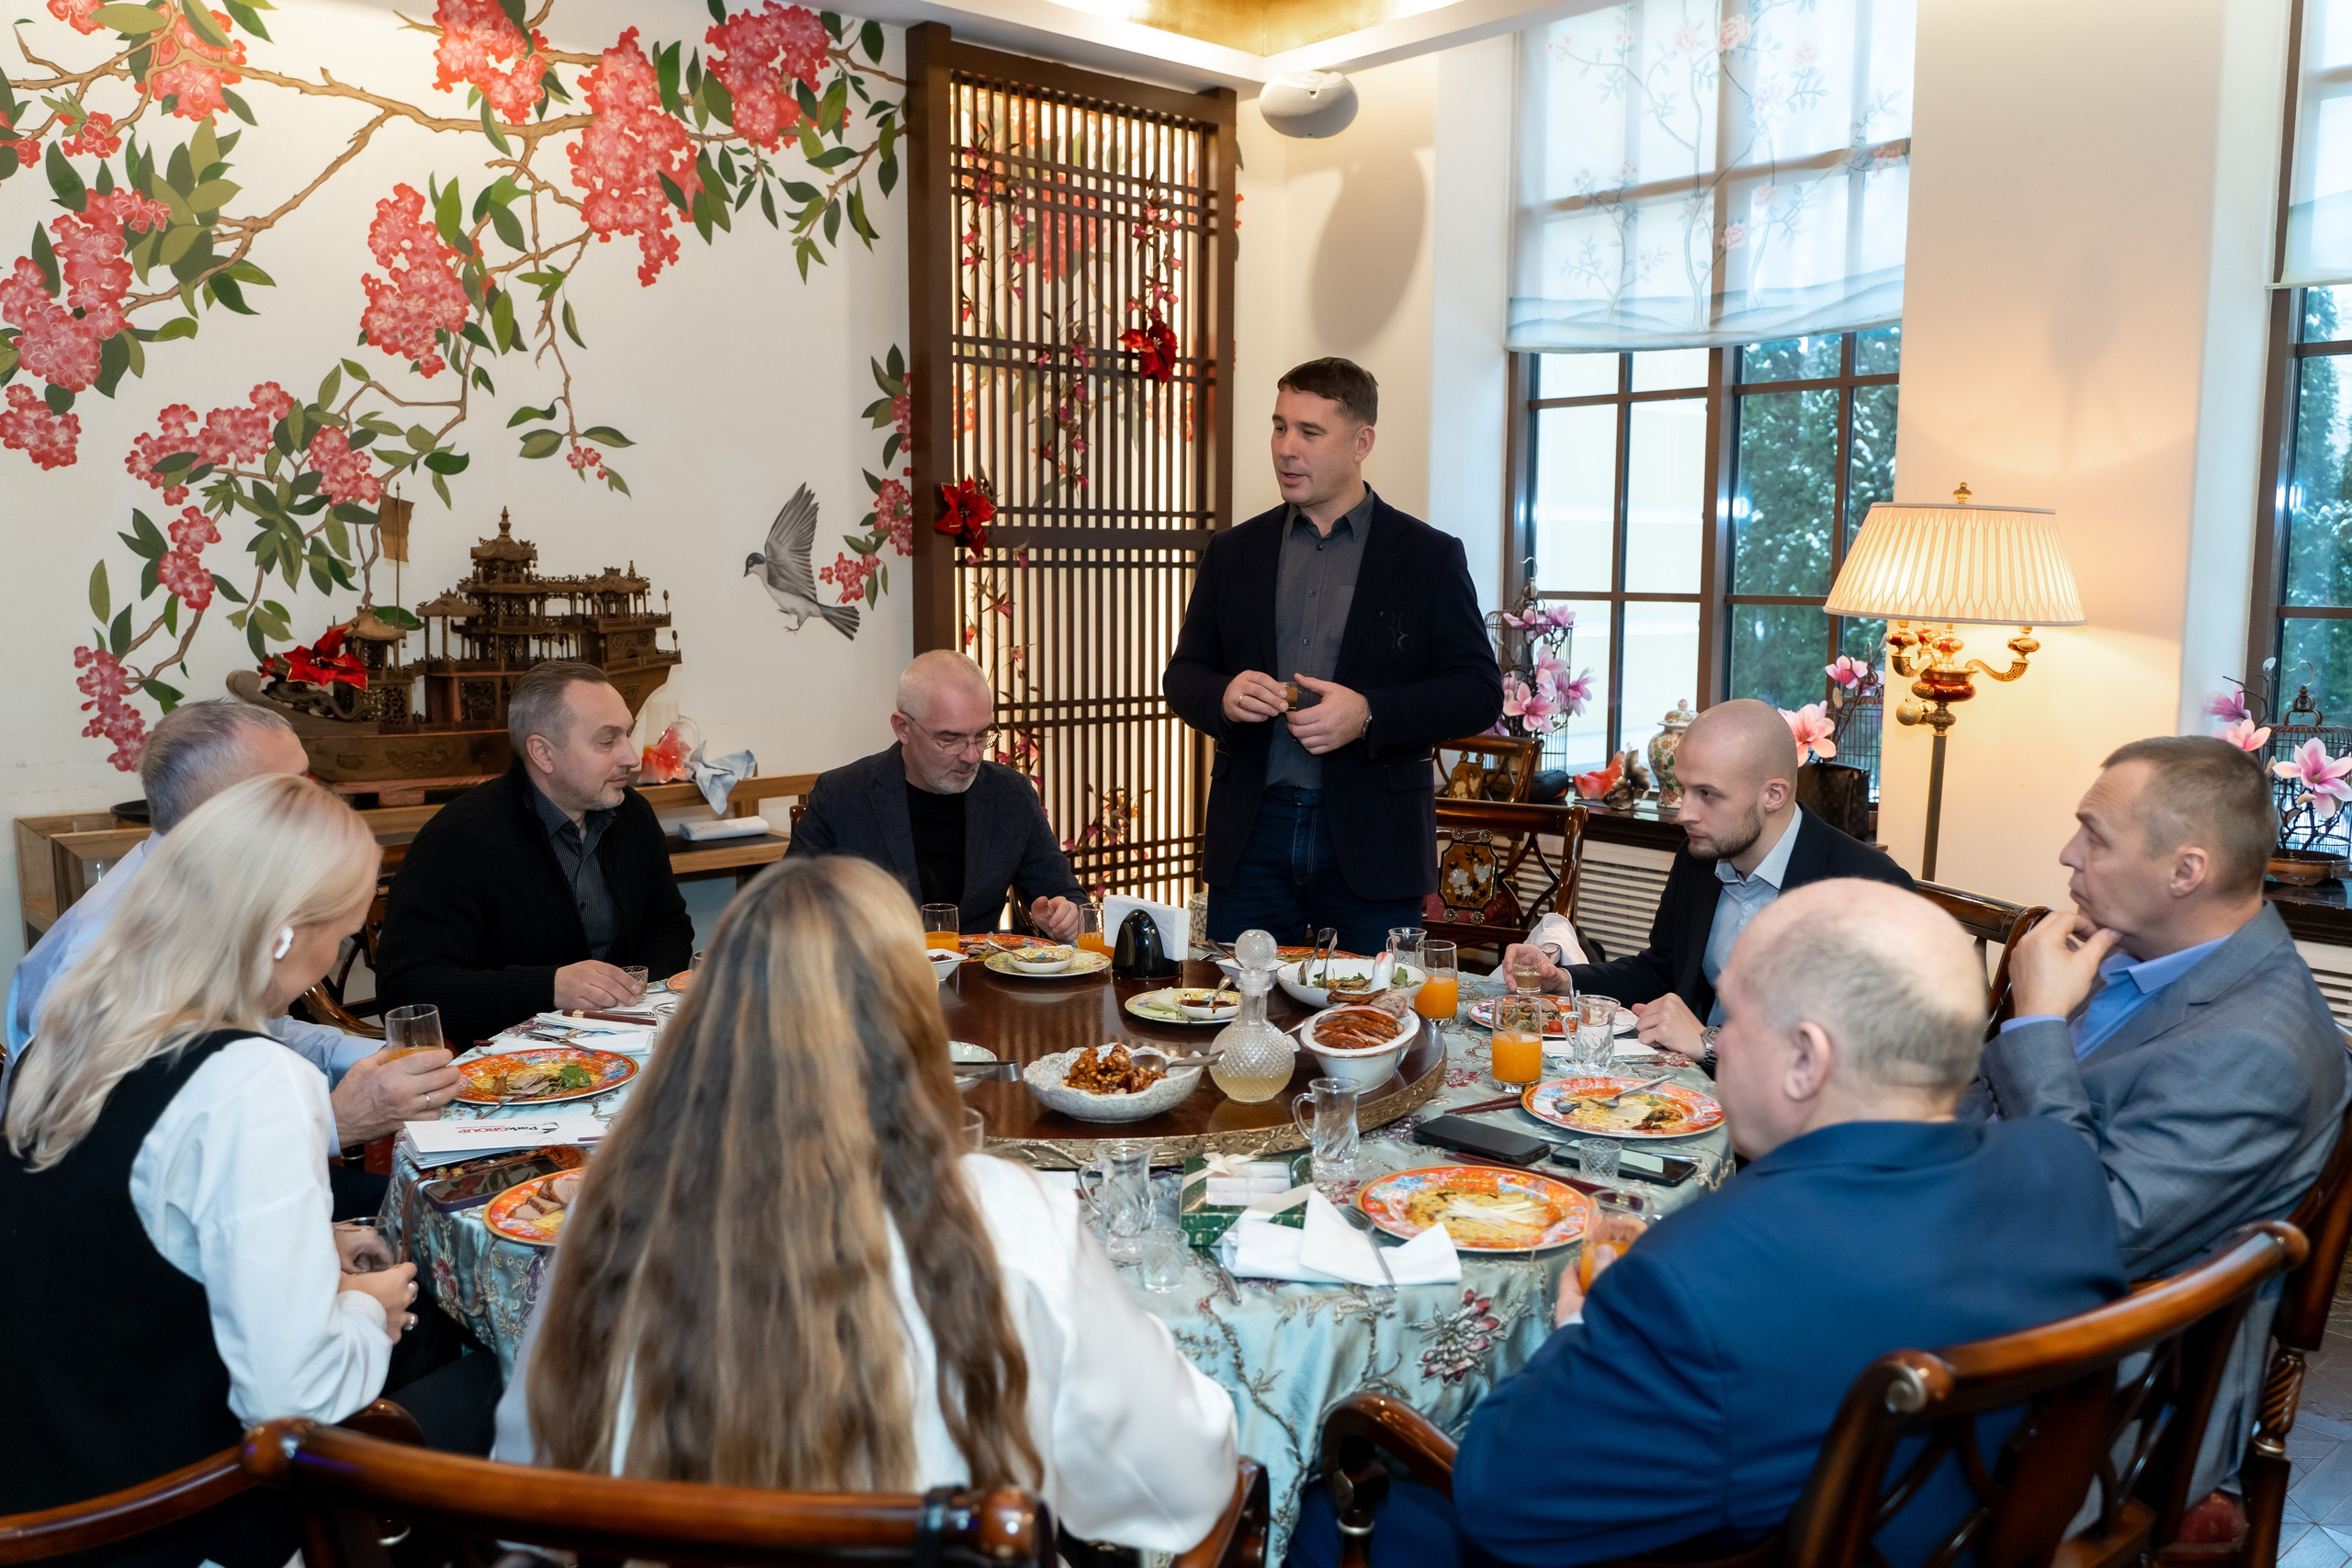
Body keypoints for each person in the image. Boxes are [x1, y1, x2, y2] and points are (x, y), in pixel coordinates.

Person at [1292, 880, 2128, 1568]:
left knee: (1313, 1505)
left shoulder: (1690, 1277)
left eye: (1733, 1022)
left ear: (1807, 1058)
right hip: (1946, 1535)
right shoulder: (2064, 1168)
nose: (1717, 1047)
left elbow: (1503, 1504)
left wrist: (1578, 1332)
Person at [491, 855, 1238, 1551]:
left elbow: (528, 1495)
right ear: (912, 1022)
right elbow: (1182, 1490)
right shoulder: (1009, 1219)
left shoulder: (608, 1212)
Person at [0, 773, 429, 1568]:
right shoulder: (253, 1082)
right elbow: (291, 1401)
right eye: (343, 926)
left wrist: (311, 1244)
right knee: (489, 1393)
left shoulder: (64, 1035)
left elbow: (107, 1238)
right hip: (165, 1513)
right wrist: (369, 1311)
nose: (343, 946)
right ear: (282, 931)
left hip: (42, 1471)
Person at [1970, 735, 2350, 1503]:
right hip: (1999, 1277)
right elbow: (1983, 1104)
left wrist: (2038, 1023)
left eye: (2095, 835)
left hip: (2103, 1406)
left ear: (2186, 871)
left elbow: (2087, 1235)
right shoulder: (2133, 956)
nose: (2067, 852)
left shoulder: (2257, 1049)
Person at [5, 699, 461, 1180]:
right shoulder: (106, 942)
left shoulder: (207, 889)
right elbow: (109, 1157)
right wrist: (336, 1121)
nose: (318, 796)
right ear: (233, 807)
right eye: (294, 787)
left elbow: (258, 1026)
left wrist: (370, 1058)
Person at [1164, 357, 1503, 955]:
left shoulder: (1427, 557)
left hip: (1373, 842)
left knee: (1367, 1026)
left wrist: (1368, 713)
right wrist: (1222, 694)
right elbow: (1183, 676)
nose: (1286, 449)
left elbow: (1477, 690)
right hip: (1253, 835)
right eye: (1279, 427)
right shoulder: (1233, 552)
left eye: (1309, 432)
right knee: (1244, 1024)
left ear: (1361, 442)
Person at [1503, 698, 1913, 1066]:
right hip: (1684, 1085)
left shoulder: (1870, 890)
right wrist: (1565, 981)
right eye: (1684, 789)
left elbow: (1860, 1055)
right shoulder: (1700, 858)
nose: (1684, 813)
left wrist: (1710, 1042)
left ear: (1773, 794)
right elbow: (1663, 971)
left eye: (1707, 794)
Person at [377, 661, 695, 1046]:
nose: (630, 756)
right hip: (507, 1069)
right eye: (607, 742)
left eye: (626, 734)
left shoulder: (632, 815)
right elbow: (407, 991)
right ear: (543, 753)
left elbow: (669, 927)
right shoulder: (458, 839)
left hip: (624, 1041)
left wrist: (633, 994)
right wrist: (551, 986)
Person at [787, 651, 1086, 940]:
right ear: (903, 727)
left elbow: (1067, 896)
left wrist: (1065, 918)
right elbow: (787, 909)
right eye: (950, 738)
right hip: (874, 979)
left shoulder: (1010, 795)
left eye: (982, 736)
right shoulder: (842, 796)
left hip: (978, 980)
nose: (972, 755)